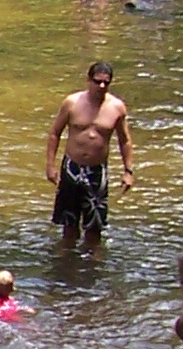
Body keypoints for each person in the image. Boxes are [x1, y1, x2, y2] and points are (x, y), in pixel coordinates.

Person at [45, 62, 136, 246]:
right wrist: (50, 166)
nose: (101, 86)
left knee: (94, 228)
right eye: (97, 81)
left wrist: (128, 171)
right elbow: (55, 133)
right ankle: (66, 259)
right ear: (88, 80)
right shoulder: (72, 103)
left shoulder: (117, 107)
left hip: (97, 171)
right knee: (69, 225)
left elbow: (124, 140)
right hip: (72, 167)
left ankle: (94, 260)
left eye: (106, 83)